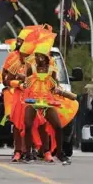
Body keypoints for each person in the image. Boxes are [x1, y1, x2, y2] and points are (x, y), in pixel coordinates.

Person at [23, 30, 70, 165]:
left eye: (39, 56)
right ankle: (27, 153)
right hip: (32, 99)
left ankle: (60, 153)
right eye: (36, 55)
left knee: (58, 126)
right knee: (27, 125)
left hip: (47, 100)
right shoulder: (31, 68)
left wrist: (57, 90)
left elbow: (54, 86)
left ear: (44, 57)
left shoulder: (52, 70)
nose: (36, 58)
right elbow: (26, 80)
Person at [1, 26, 40, 162]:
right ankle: (18, 150)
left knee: (33, 123)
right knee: (18, 124)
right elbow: (5, 79)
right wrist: (18, 83)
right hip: (18, 96)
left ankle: (31, 150)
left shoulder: (37, 62)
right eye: (20, 41)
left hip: (34, 96)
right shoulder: (14, 59)